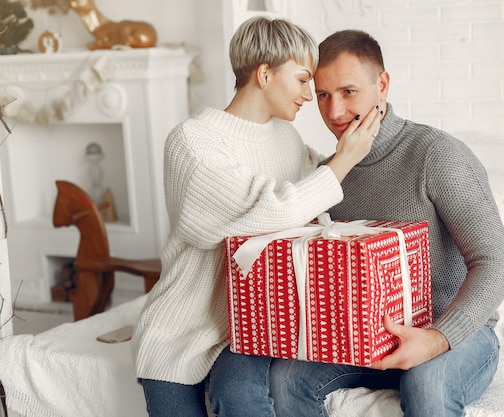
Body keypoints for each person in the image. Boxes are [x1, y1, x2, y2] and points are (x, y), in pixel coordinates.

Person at [131, 18, 381, 417]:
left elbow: (318, 200)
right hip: (180, 331)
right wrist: (346, 159)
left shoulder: (286, 137)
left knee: (240, 397)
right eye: (302, 81)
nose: (308, 95)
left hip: (256, 326)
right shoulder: (192, 142)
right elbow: (273, 208)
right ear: (265, 74)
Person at [266, 30, 504, 417]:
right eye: (323, 95)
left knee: (425, 384)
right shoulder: (328, 174)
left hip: (453, 331)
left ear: (381, 85)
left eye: (348, 92)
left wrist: (436, 339)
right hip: (364, 339)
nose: (333, 113)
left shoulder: (437, 155)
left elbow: (497, 263)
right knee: (284, 379)